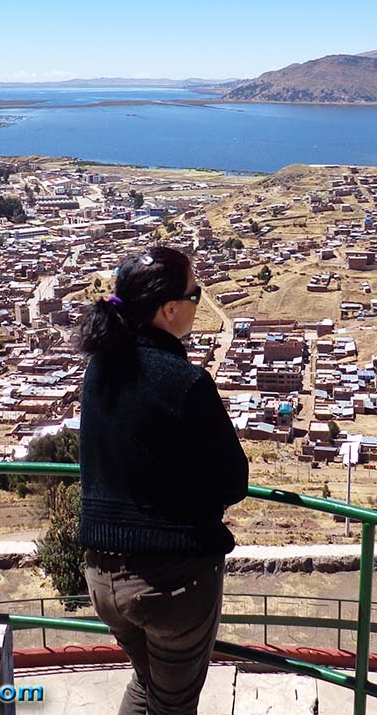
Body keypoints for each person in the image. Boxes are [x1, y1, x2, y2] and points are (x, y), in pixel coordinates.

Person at [77, 245, 249, 715]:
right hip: (170, 582)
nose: (200, 302)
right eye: (196, 294)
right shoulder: (185, 382)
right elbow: (234, 481)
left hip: (101, 576)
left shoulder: (99, 368)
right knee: (174, 704)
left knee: (148, 684)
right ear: (169, 310)